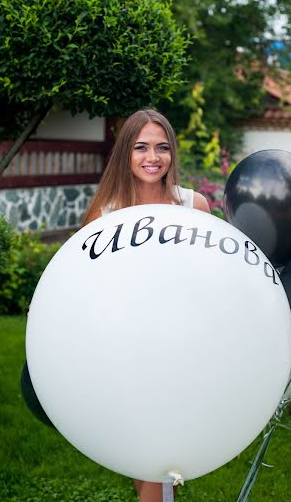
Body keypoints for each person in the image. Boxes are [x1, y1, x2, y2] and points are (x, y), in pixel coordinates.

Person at [82, 107, 210, 502]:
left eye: (161, 147)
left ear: (172, 154)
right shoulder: (104, 215)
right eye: (141, 147)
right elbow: (85, 285)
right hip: (124, 346)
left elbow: (216, 279)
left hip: (179, 343)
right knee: (144, 453)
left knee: (159, 449)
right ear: (126, 153)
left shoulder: (195, 207)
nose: (152, 157)